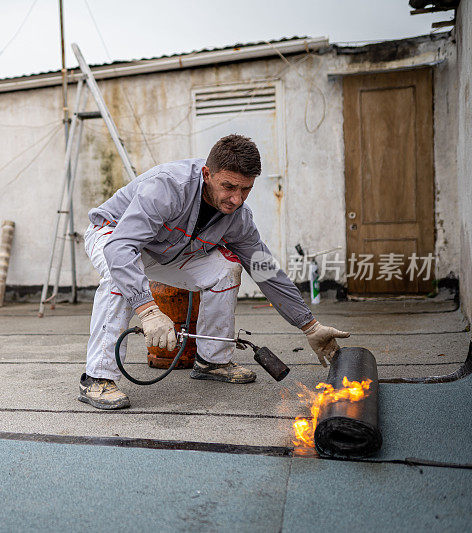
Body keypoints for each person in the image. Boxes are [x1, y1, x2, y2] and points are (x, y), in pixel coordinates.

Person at [79, 134, 350, 410]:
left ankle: (212, 360)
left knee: (227, 268)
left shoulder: (238, 218)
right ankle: (97, 377)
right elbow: (121, 249)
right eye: (228, 186)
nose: (236, 199)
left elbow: (265, 270)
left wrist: (309, 325)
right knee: (119, 274)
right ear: (207, 174)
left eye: (245, 189)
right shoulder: (168, 187)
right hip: (113, 234)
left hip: (168, 249)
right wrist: (148, 310)